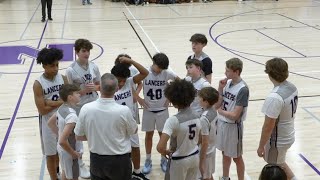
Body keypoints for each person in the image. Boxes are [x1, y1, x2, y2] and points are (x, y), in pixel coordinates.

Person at [74, 73, 138, 180]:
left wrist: (95, 135)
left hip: (97, 160)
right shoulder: (124, 110)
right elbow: (134, 131)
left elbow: (78, 136)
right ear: (117, 89)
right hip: (120, 161)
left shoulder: (86, 109)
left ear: (99, 88)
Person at [137, 53, 178, 174]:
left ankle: (163, 159)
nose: (160, 70)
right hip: (148, 110)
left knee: (163, 136)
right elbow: (131, 84)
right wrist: (138, 98)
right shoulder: (144, 72)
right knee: (148, 135)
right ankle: (148, 159)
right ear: (153, 63)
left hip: (162, 110)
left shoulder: (167, 73)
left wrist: (170, 97)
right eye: (158, 67)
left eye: (162, 68)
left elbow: (179, 82)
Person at [257, 58, 298, 180]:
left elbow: (268, 126)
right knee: (280, 163)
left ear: (270, 74)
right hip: (288, 134)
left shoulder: (274, 97)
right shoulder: (292, 87)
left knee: (275, 172)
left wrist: (261, 146)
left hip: (277, 140)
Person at [65, 38, 100, 179]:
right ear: (77, 52)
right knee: (78, 137)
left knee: (95, 133)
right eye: (84, 51)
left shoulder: (94, 66)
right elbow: (68, 94)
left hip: (94, 104)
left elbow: (99, 85)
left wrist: (96, 87)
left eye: (88, 51)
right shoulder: (71, 70)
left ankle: (96, 160)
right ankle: (80, 163)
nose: (87, 54)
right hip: (79, 107)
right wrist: (83, 91)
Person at [111, 56, 149, 180]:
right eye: (119, 80)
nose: (121, 83)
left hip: (130, 122)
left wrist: (131, 61)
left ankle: (137, 172)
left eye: (123, 80)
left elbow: (145, 73)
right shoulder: (108, 87)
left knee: (135, 147)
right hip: (116, 124)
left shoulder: (129, 82)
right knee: (119, 151)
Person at [33, 47, 68, 180]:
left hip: (63, 119)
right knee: (50, 154)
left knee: (62, 151)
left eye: (57, 65)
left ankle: (58, 173)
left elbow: (69, 100)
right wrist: (61, 101)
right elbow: (42, 110)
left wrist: (51, 103)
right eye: (52, 66)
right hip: (47, 123)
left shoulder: (63, 78)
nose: (56, 68)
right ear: (44, 66)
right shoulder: (38, 84)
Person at [157, 79, 201, 180]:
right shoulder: (198, 116)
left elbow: (160, 147)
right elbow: (200, 140)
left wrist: (166, 152)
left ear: (173, 102)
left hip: (179, 161)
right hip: (194, 157)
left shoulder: (173, 120)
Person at [215, 58, 249, 180]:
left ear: (236, 71)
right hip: (223, 124)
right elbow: (217, 104)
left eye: (228, 70)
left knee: (237, 157)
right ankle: (225, 177)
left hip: (234, 127)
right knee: (224, 152)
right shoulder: (227, 83)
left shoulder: (242, 89)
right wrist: (220, 88)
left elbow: (235, 115)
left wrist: (220, 112)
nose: (225, 73)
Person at [47, 84, 81, 180]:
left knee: (65, 173)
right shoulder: (72, 116)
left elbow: (50, 123)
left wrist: (59, 135)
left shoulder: (62, 107)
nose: (80, 95)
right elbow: (62, 141)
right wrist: (73, 153)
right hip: (69, 149)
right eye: (77, 93)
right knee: (73, 176)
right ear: (70, 97)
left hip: (62, 149)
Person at [198, 87, 219, 180]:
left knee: (206, 177)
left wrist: (201, 162)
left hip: (206, 153)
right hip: (212, 149)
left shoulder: (204, 118)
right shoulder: (214, 111)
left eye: (200, 97)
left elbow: (205, 142)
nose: (198, 99)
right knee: (209, 176)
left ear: (205, 101)